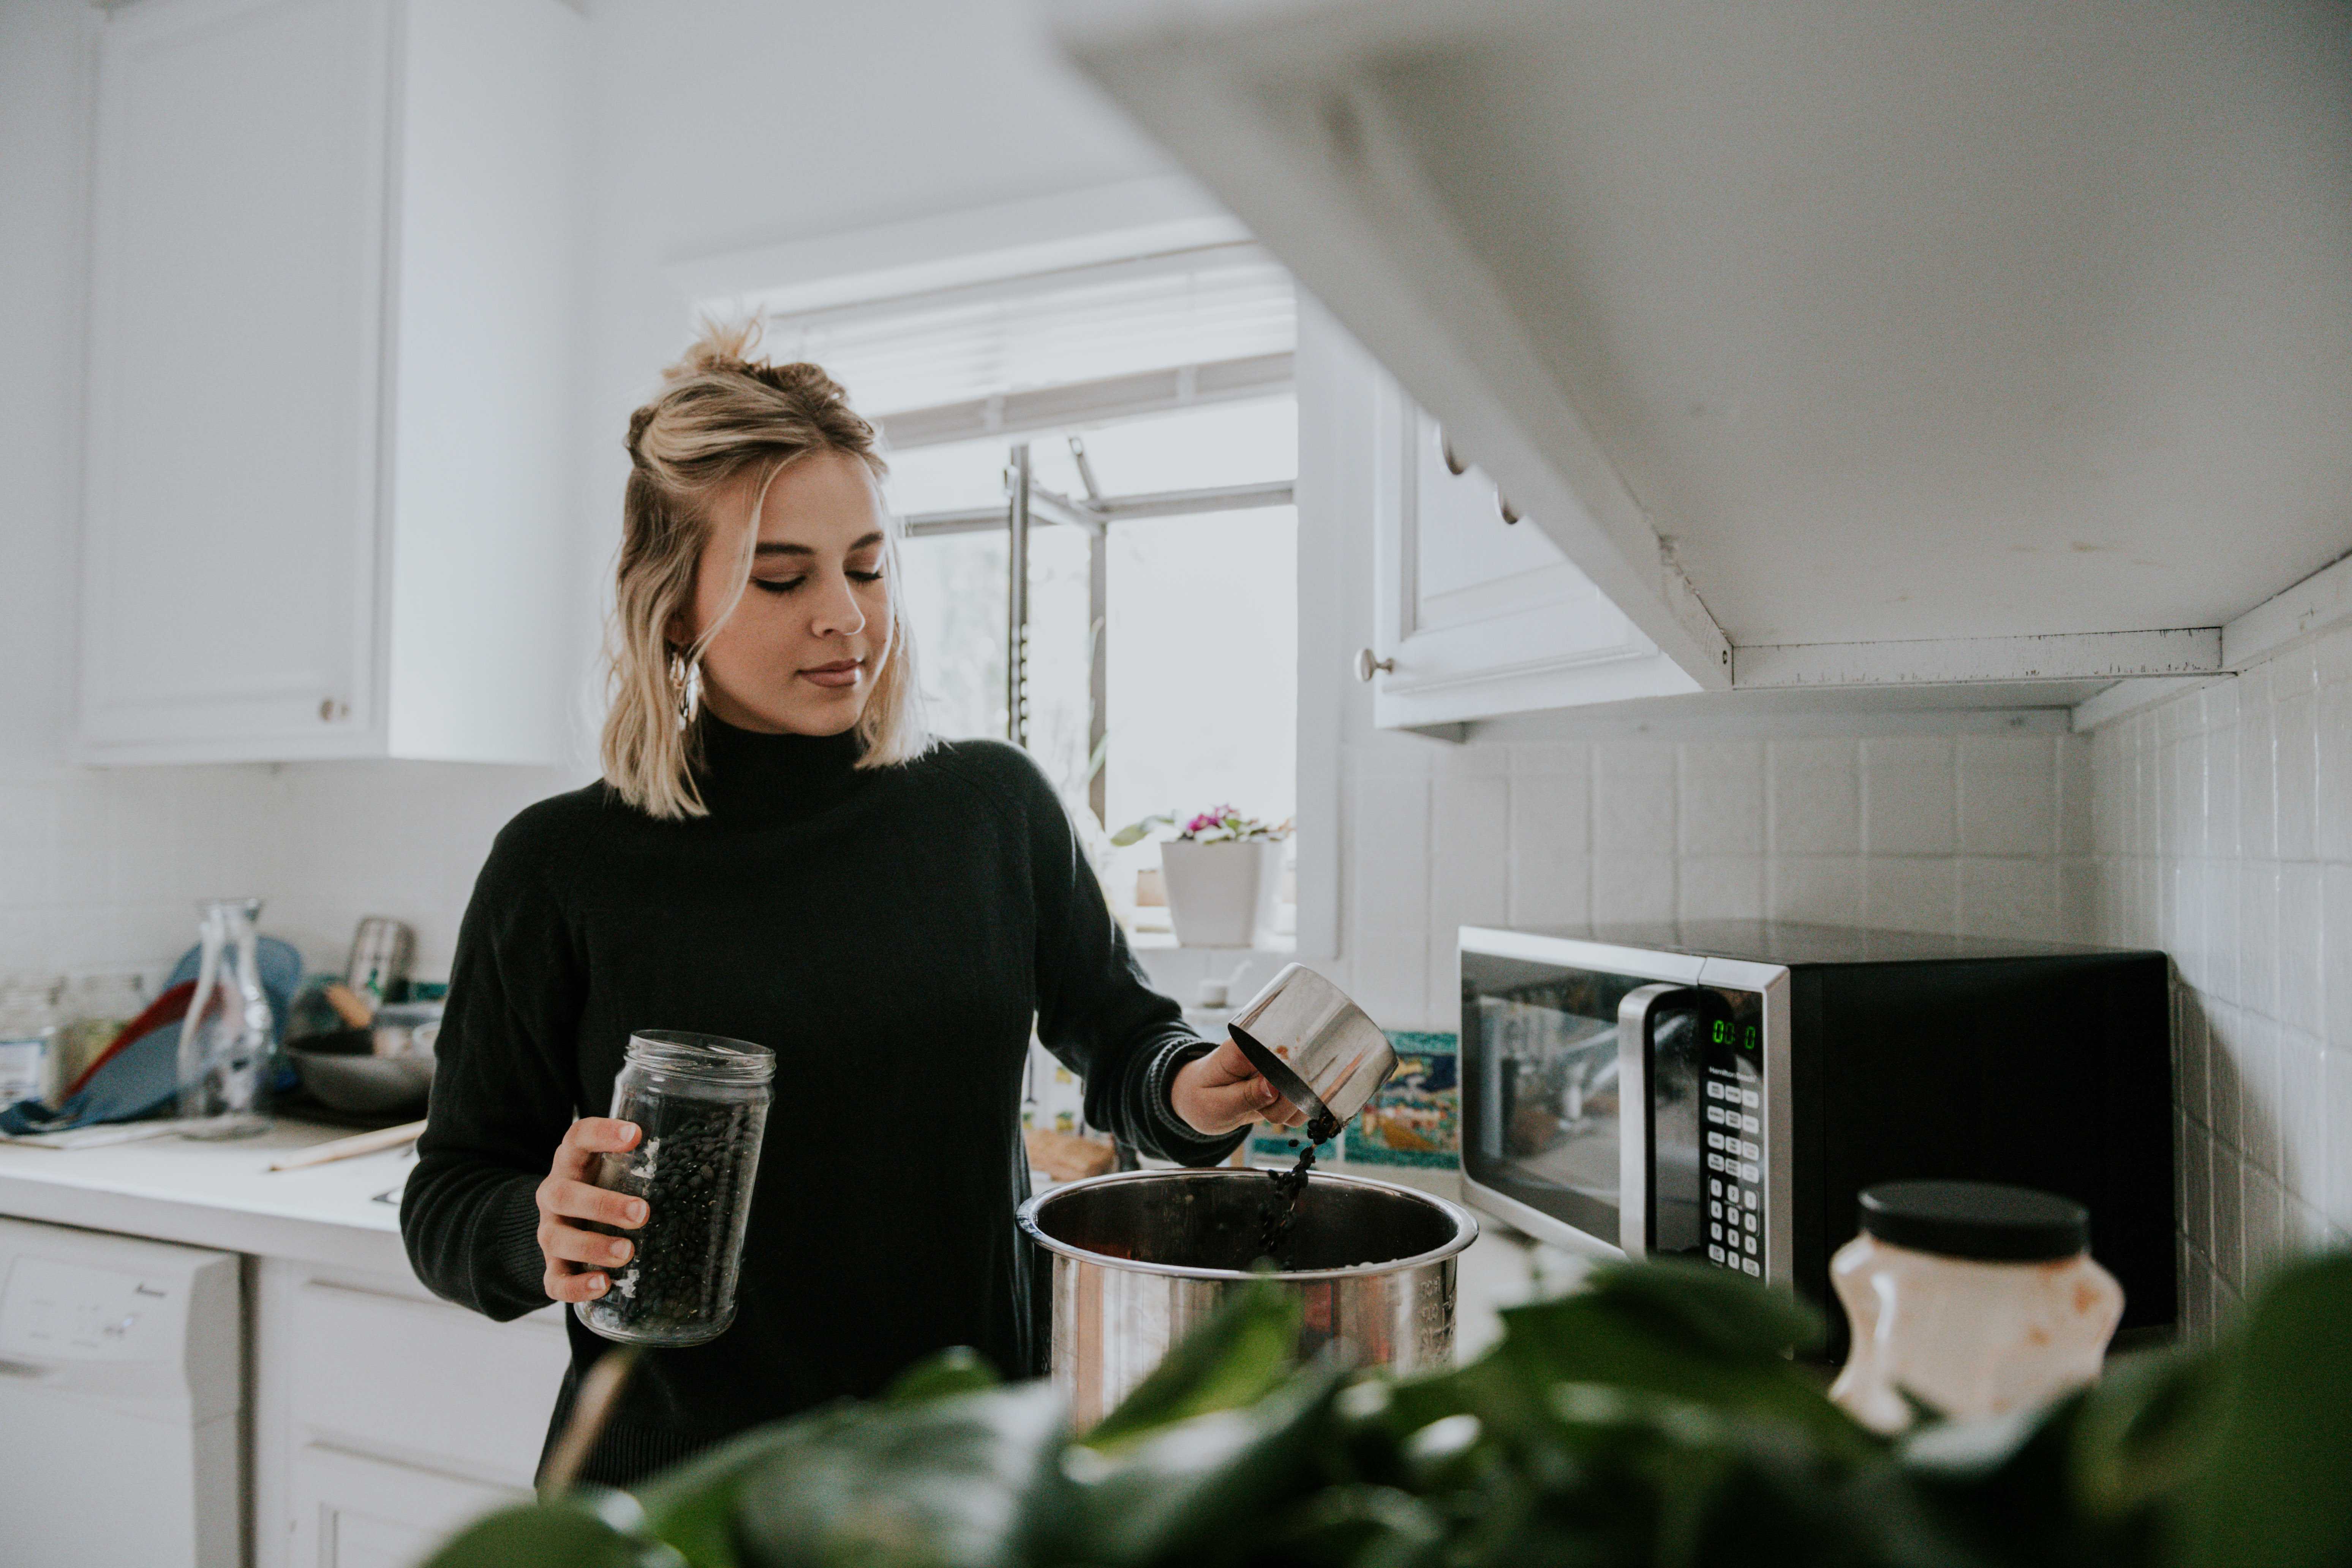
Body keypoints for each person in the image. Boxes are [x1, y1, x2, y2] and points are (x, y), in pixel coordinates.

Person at [398, 322, 1303, 1489]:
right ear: (675, 607)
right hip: (679, 1498)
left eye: (867, 567)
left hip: (961, 1482)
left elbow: (1127, 1042)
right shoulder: (563, 865)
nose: (847, 616)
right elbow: (450, 1192)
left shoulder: (991, 808)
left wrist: (1195, 1086)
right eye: (784, 577)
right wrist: (537, 1224)